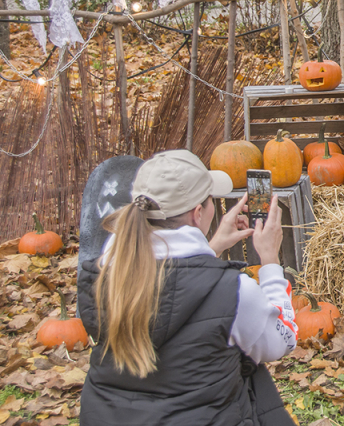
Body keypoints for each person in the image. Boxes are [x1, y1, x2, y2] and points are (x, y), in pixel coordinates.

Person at [78, 150, 298, 426]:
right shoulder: (234, 292)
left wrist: (212, 247)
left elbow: (168, 286)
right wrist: (270, 262)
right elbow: (282, 341)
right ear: (198, 214)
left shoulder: (105, 275)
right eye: (211, 201)